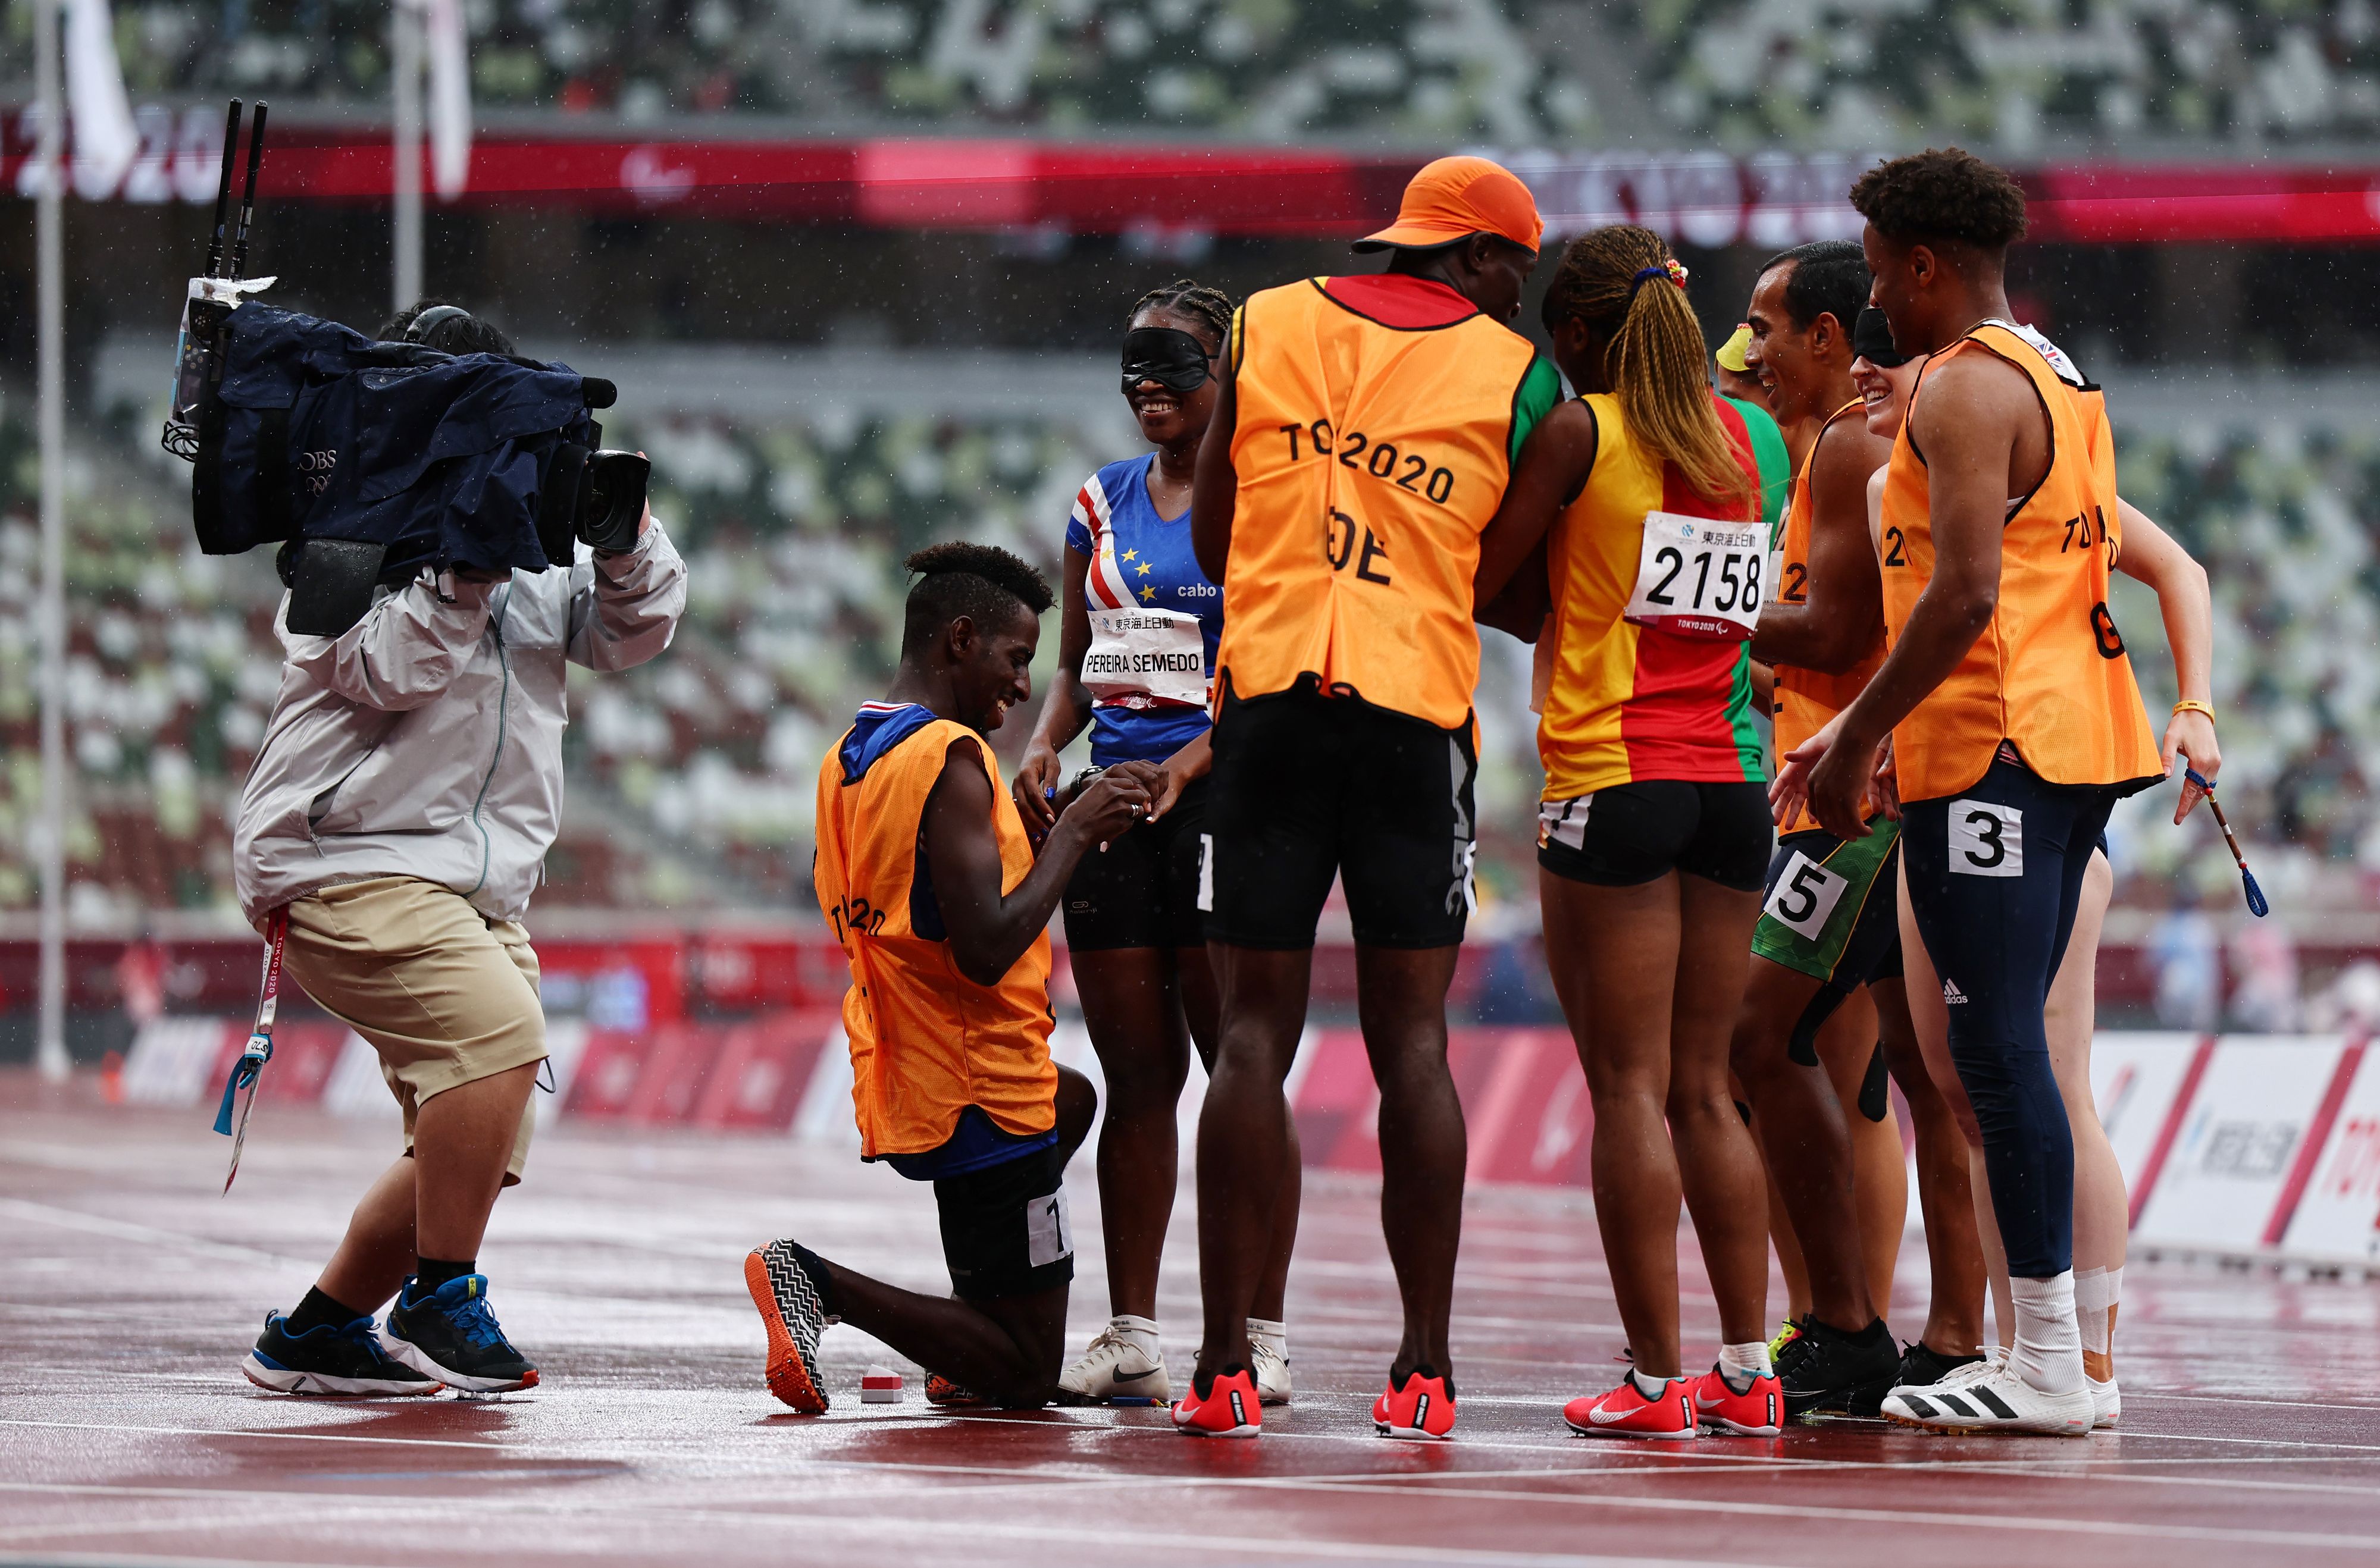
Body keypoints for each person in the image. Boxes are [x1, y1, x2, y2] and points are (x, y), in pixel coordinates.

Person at [233, 300, 687, 1397]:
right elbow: (390, 670)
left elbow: (632, 634)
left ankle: (319, 1331)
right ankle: (442, 1294)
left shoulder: (523, 537)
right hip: (341, 857)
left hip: (474, 883)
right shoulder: (336, 543)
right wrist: (467, 556)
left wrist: (621, 537)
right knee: (496, 1037)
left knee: (482, 1127)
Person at [1180, 154, 1562, 1440]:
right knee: (1413, 1043)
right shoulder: (1523, 381)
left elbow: (1212, 528)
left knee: (1248, 1038)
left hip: (1272, 700)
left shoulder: (1264, 319)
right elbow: (1493, 586)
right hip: (1413, 717)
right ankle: (1423, 1372)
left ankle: (1222, 1364)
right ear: (1466, 253)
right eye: (1514, 262)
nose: (1524, 288)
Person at [1790, 149, 2166, 1436]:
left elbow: (1961, 597)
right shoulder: (2053, 371)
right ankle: (2054, 1355)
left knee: (1997, 1055)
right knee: (1994, 1058)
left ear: (1921, 264)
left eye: (1884, 271)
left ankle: (2049, 1359)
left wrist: (1852, 742)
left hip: (1990, 747)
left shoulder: (1957, 393)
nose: (1877, 300)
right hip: (2063, 741)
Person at [1473, 225, 1789, 1441]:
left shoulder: (1578, 432)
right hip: (1724, 786)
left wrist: (1562, 587)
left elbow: (1484, 585)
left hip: (1606, 776)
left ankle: (1653, 1383)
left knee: (1625, 1088)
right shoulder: (1757, 439)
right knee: (1708, 1089)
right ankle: (1744, 1372)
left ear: (1572, 338)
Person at [747, 544, 1160, 1413]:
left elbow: (922, 909)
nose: (1021, 687)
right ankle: (817, 1282)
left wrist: (1036, 838)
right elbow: (984, 946)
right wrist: (1078, 835)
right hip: (981, 1085)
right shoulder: (952, 759)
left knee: (1074, 1101)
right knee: (1020, 1376)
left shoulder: (850, 756)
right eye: (1015, 660)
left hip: (912, 1063)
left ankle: (959, 1334)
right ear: (962, 639)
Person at [1012, 281, 1302, 1408]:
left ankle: (1258, 1332)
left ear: (1226, 372)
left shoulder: (1263, 500)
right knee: (1137, 1079)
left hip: (1226, 798)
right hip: (1117, 808)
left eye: (1172, 365)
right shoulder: (1099, 503)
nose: (1147, 387)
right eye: (1131, 366)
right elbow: (1082, 670)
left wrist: (1192, 766)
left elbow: (1273, 665)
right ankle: (1131, 1331)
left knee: (1242, 1070)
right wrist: (1043, 744)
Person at [1733, 253, 1985, 1416]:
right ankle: (1940, 1333)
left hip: (1853, 804)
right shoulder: (1843, 445)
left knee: (1762, 1036)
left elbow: (1838, 622)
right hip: (1885, 785)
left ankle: (1848, 1320)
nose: (1743, 355)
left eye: (1760, 328)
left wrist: (1700, 614)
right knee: (1913, 1078)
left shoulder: (1849, 441)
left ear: (1833, 337)